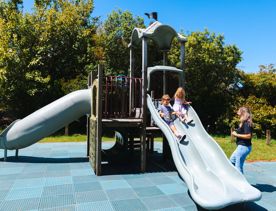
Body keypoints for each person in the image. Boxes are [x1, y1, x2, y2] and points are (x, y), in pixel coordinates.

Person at [230, 106, 253, 174]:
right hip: (241, 147)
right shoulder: (243, 122)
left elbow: (249, 136)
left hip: (243, 147)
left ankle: (240, 183)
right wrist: (237, 131)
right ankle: (234, 179)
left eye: (239, 111)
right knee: (232, 161)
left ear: (243, 113)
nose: (237, 112)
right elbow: (243, 132)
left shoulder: (246, 123)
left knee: (238, 167)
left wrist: (236, 135)